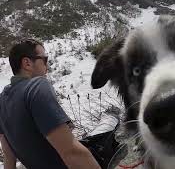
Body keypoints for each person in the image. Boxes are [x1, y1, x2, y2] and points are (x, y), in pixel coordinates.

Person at [0, 39, 101, 169]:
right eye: (45, 60)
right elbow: (72, 152)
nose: (47, 66)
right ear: (27, 63)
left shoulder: (2, 99)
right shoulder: (36, 86)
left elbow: (9, 157)